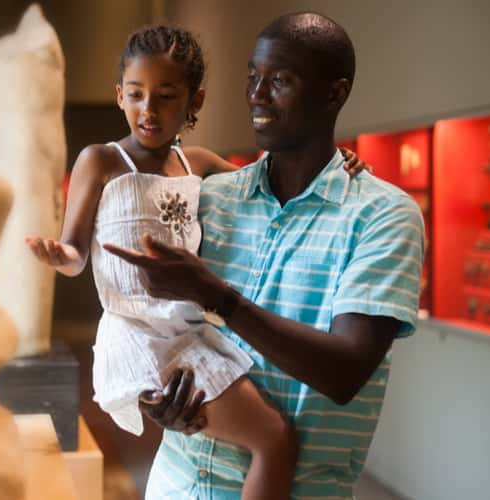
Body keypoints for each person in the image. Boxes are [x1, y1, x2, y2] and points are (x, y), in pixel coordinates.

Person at [27, 25, 367, 500]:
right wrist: (58, 255)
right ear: (118, 95)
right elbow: (76, 254)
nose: (149, 109)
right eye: (137, 94)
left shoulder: (199, 164)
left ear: (195, 102)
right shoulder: (101, 161)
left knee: (268, 441)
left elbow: (269, 180)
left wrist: (339, 162)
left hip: (187, 334)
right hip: (140, 338)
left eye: (166, 96)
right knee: (274, 440)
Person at [105, 13, 424, 499]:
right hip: (176, 483)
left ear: (334, 94)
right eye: (252, 78)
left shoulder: (384, 216)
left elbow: (344, 372)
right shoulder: (212, 196)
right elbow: (160, 320)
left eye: (279, 81)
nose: (256, 94)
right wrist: (156, 397)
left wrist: (219, 298)